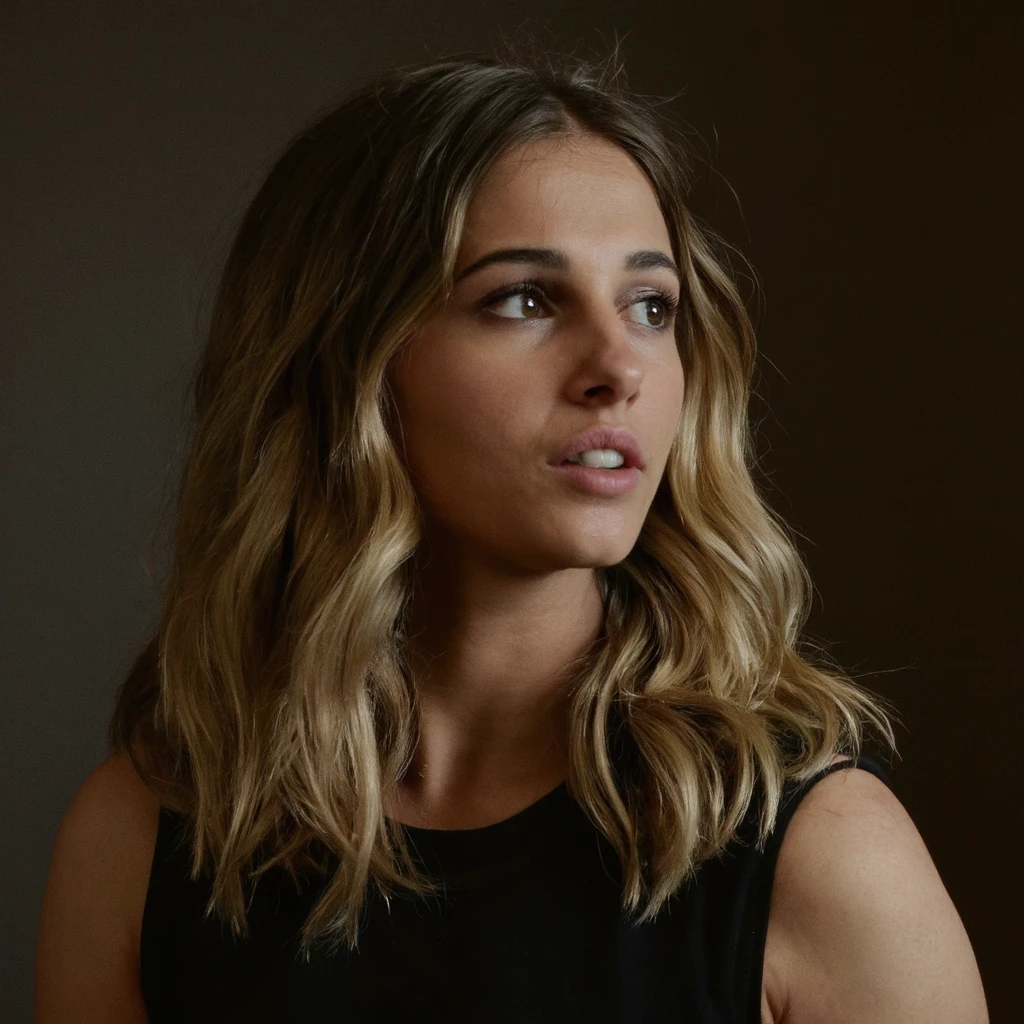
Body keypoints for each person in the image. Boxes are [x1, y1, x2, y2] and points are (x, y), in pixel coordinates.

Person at [34, 49, 988, 1023]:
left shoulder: (820, 852)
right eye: (524, 300)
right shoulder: (144, 838)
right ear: (348, 365)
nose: (618, 366)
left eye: (650, 306)